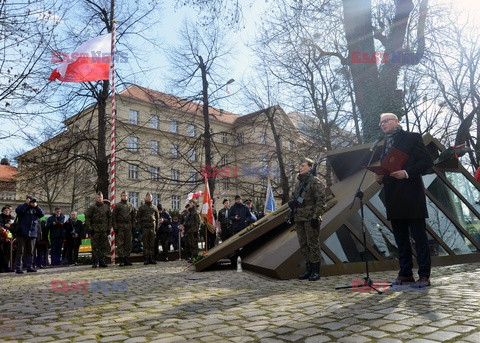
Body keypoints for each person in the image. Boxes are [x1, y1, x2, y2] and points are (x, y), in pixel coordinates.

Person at [374, 112, 433, 287]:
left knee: (419, 237)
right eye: (381, 122)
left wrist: (407, 173)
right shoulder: (384, 144)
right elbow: (389, 169)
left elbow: (427, 161)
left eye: (386, 121)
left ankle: (424, 275)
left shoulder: (412, 137)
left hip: (411, 195)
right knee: (400, 239)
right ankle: (405, 273)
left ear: (396, 121)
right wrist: (380, 178)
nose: (383, 124)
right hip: (393, 197)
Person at [291, 158, 326, 281]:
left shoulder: (314, 182)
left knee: (313, 244)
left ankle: (316, 271)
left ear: (310, 167)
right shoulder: (298, 184)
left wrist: (316, 217)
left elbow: (321, 200)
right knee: (303, 245)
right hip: (299, 218)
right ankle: (308, 269)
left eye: (303, 165)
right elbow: (295, 200)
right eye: (300, 166)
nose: (300, 168)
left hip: (310, 218)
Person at [14, 195, 45, 274]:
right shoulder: (22, 207)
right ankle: (18, 268)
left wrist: (36, 206)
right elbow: (18, 211)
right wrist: (26, 204)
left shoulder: (35, 209)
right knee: (20, 251)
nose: (32, 202)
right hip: (21, 233)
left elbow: (42, 214)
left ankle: (29, 266)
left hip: (32, 233)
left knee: (31, 251)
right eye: (30, 200)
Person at [85, 192, 111, 268]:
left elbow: (110, 218)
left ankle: (101, 260)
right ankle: (95, 261)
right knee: (94, 247)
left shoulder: (106, 207)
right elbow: (87, 218)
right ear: (96, 198)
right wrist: (90, 228)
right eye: (98, 197)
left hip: (104, 230)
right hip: (95, 230)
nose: (100, 198)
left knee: (104, 247)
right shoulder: (92, 207)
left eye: (101, 197)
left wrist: (109, 228)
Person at [112, 191, 136, 266]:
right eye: (123, 195)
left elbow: (133, 217)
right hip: (120, 226)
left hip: (128, 226)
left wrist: (133, 226)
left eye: (125, 195)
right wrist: (115, 227)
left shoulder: (131, 205)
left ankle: (126, 258)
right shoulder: (117, 205)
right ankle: (121, 259)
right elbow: (114, 217)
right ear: (121, 196)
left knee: (128, 243)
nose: (124, 197)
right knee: (120, 243)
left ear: (127, 196)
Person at [137, 192, 159, 265]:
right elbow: (138, 218)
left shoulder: (154, 207)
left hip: (152, 227)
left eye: (150, 197)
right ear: (145, 198)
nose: (149, 198)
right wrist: (140, 227)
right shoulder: (142, 207)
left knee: (152, 243)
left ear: (152, 198)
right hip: (145, 227)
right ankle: (146, 257)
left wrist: (157, 227)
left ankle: (151, 257)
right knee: (145, 243)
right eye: (148, 196)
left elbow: (157, 217)